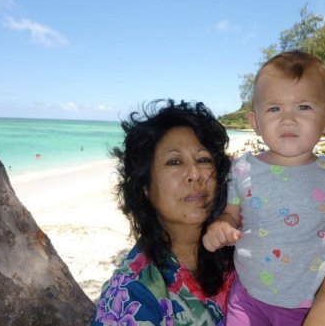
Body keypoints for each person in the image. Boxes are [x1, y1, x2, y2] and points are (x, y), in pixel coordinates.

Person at [203, 51, 325, 325]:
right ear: (255, 122)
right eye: (274, 108)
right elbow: (232, 216)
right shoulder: (242, 169)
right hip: (248, 300)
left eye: (303, 107)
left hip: (309, 306)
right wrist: (220, 226)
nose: (288, 119)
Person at [91, 99, 234, 325]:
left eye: (204, 159)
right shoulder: (133, 295)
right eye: (175, 162)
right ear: (145, 186)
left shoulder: (244, 247)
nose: (195, 174)